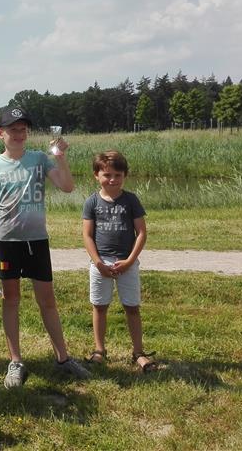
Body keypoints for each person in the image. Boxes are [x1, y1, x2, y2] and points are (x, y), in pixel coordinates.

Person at [0, 106, 91, 388]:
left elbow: (67, 186)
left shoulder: (40, 159)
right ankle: (15, 361)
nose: (19, 134)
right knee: (11, 299)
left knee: (47, 300)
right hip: (6, 241)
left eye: (23, 129)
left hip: (37, 240)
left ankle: (63, 358)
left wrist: (61, 158)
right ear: (0, 133)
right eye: (13, 130)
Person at [82, 150, 157, 372]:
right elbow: (87, 235)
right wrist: (98, 263)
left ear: (125, 175)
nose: (112, 180)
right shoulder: (91, 202)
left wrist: (130, 261)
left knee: (132, 307)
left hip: (127, 263)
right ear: (96, 175)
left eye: (117, 175)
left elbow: (141, 232)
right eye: (107, 175)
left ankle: (138, 352)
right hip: (100, 263)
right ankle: (99, 350)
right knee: (99, 306)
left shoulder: (131, 200)